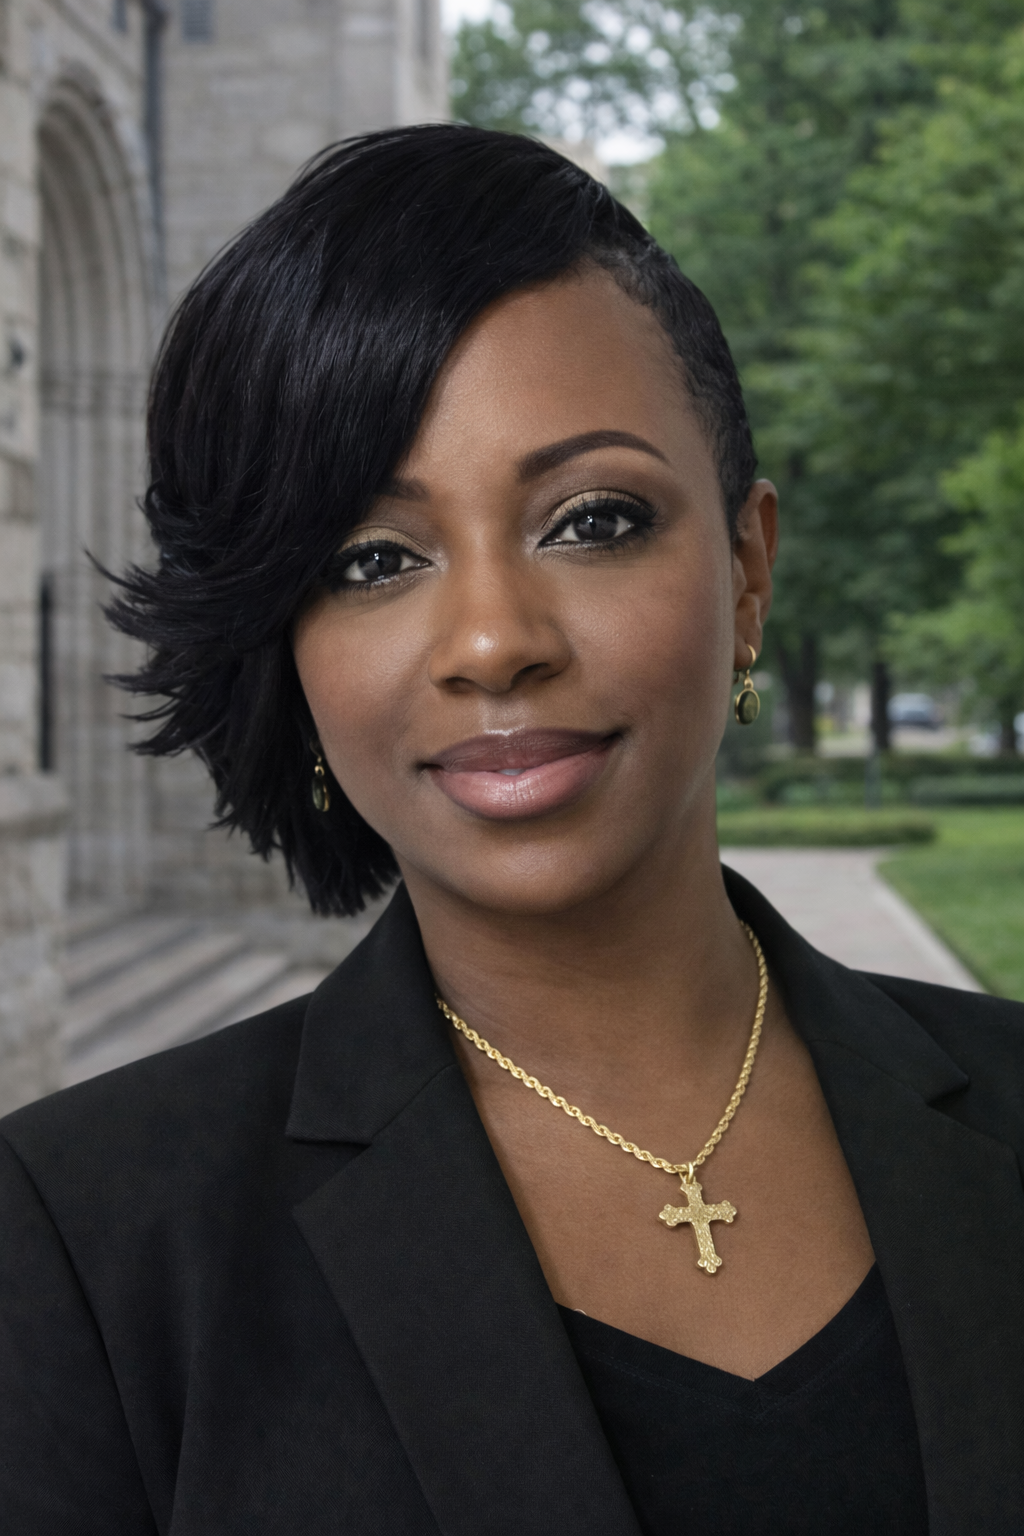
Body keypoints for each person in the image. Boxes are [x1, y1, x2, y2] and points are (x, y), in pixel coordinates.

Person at [1, 126, 1021, 1536]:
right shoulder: (79, 1240)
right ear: (283, 646)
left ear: (748, 567)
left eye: (593, 520)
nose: (492, 642)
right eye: (373, 560)